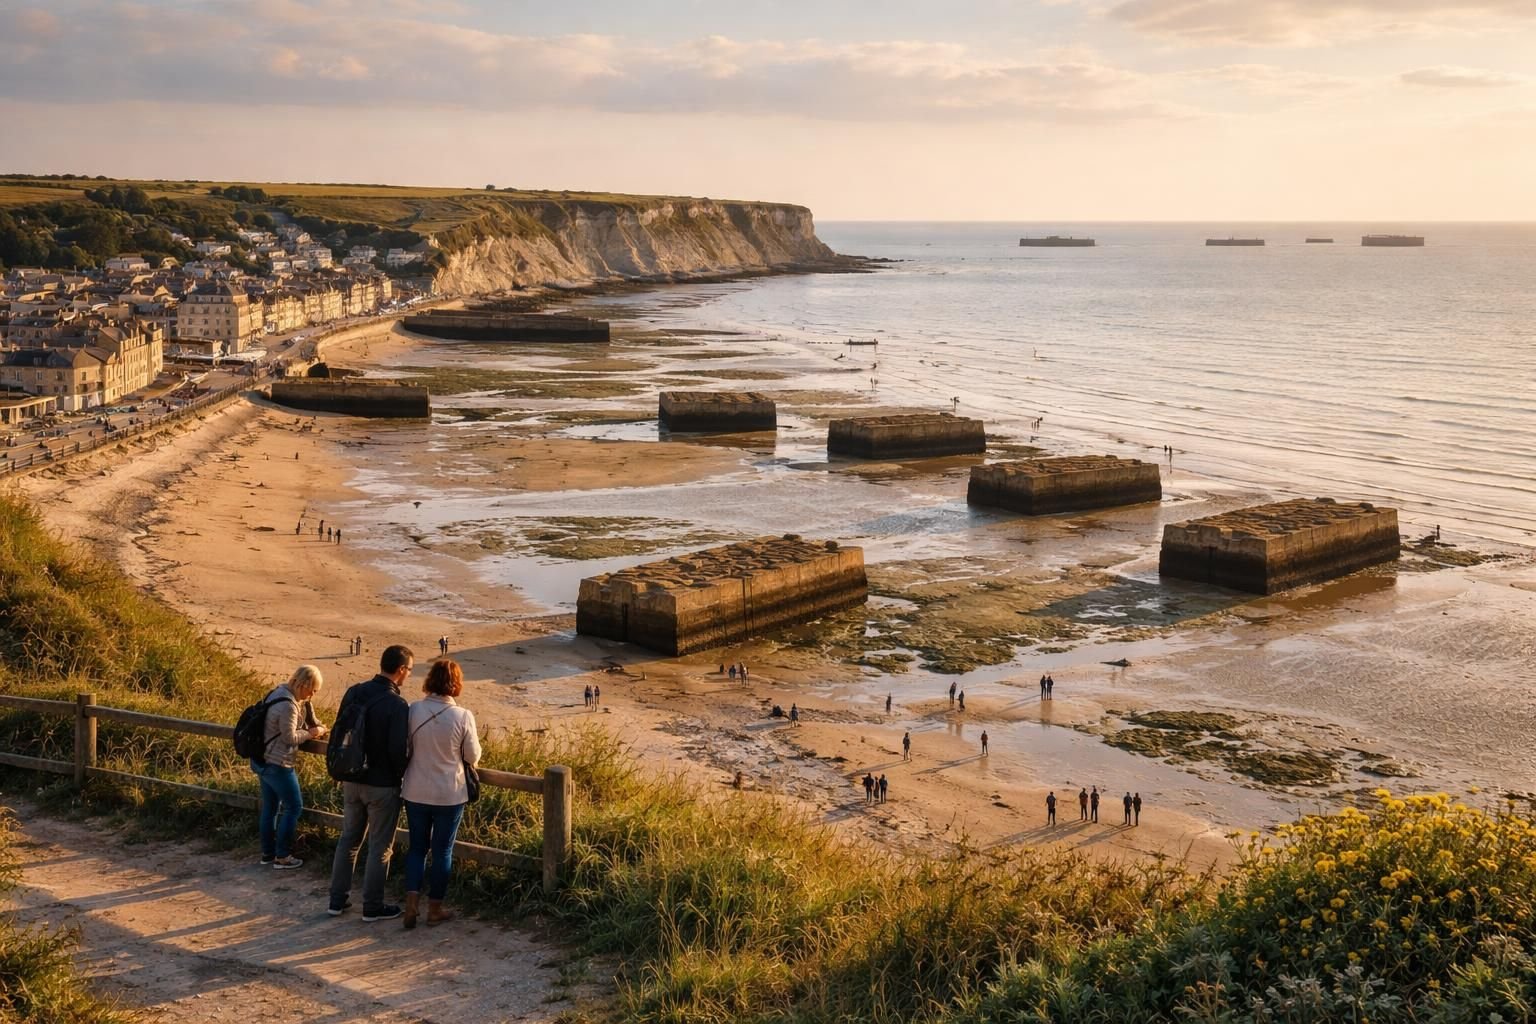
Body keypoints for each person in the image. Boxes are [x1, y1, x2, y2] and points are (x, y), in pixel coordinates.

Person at [328, 645, 412, 922]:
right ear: (400, 670)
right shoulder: (398, 705)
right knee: (380, 846)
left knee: (349, 839)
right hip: (382, 784)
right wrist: (401, 777)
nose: (409, 675)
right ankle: (372, 906)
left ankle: (337, 900)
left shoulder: (355, 691)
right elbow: (398, 750)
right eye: (409, 670)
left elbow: (341, 729)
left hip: (351, 778)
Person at [400, 659, 482, 929]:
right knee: (442, 850)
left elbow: (406, 748)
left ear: (430, 681)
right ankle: (434, 908)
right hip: (449, 792)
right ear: (456, 684)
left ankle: (411, 903)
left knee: (417, 848)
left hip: (415, 789)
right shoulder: (462, 716)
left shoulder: (414, 710)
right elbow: (472, 755)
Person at [252, 665, 327, 869]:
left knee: (270, 808)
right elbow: (290, 737)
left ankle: (268, 853)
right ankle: (283, 856)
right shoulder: (288, 705)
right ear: (303, 685)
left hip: (262, 760)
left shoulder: (276, 692)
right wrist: (314, 733)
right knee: (294, 806)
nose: (312, 695)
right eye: (312, 690)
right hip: (278, 763)